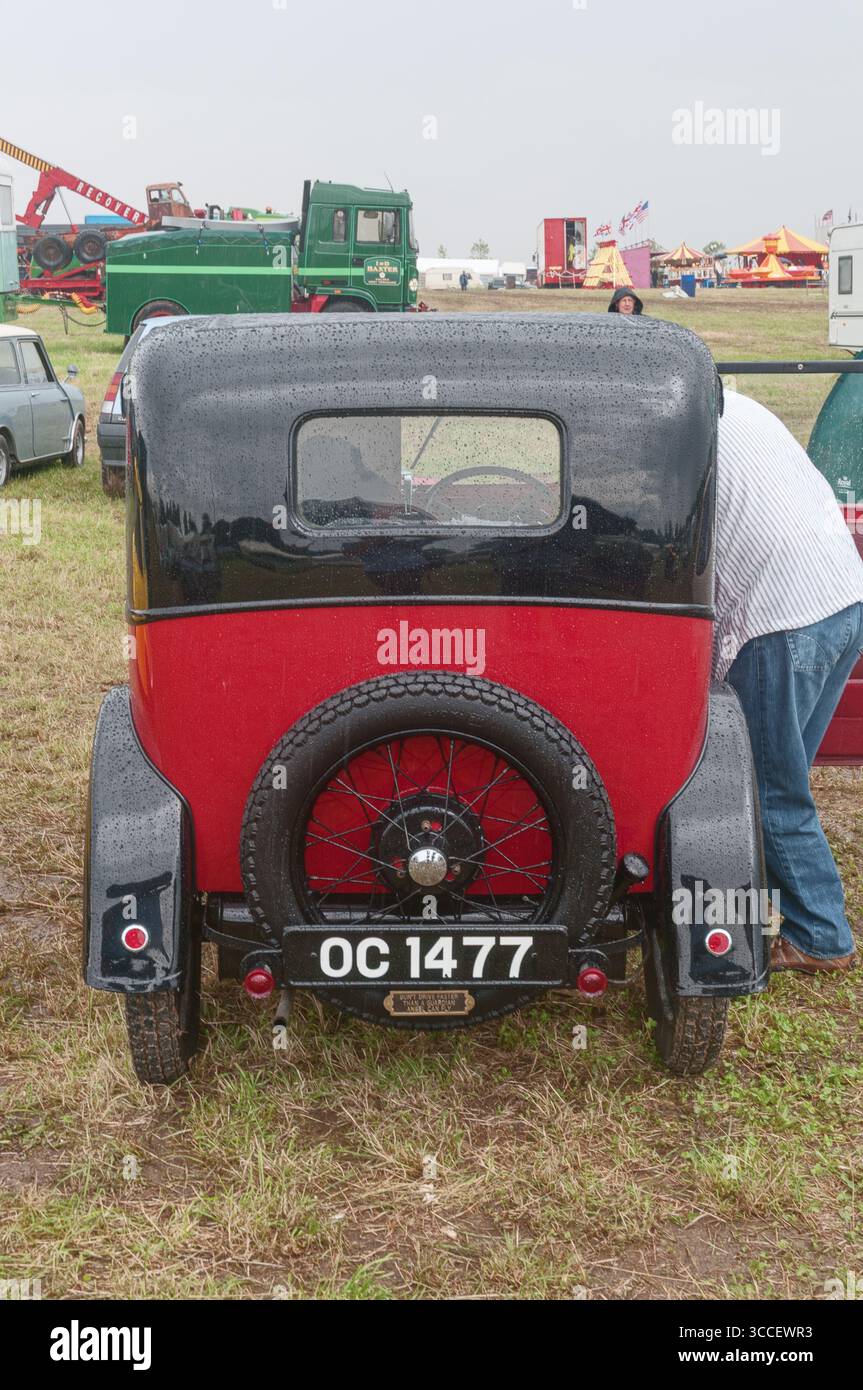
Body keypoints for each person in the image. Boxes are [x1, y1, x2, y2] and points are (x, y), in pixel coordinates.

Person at [714, 390, 863, 974]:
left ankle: (820, 935)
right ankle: (784, 908)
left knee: (768, 786)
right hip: (840, 593)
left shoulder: (674, 433)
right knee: (785, 775)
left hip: (781, 614)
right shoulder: (743, 406)